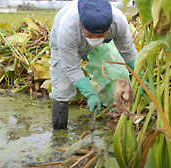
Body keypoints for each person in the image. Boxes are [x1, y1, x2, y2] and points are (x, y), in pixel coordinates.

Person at [49, 0, 138, 130]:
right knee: (62, 88)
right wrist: (90, 94)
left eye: (100, 34)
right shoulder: (67, 29)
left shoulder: (118, 22)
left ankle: (118, 119)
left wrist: (140, 76)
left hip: (104, 44)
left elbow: (128, 52)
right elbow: (71, 67)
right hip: (64, 44)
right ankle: (58, 131)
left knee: (119, 75)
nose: (95, 38)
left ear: (109, 26)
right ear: (80, 23)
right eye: (90, 34)